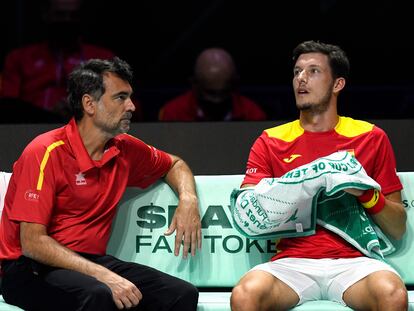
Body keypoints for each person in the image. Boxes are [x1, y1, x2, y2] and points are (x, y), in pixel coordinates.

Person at [0, 57, 201, 310]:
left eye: (130, 97)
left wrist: (188, 200)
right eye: (120, 97)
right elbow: (32, 243)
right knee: (99, 294)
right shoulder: (45, 152)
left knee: (180, 293)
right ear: (89, 104)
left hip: (90, 261)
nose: (131, 106)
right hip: (28, 269)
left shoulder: (124, 148)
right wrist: (103, 275)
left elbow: (175, 164)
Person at [230, 41, 408, 310]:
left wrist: (365, 193)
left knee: (392, 294)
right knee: (245, 294)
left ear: (338, 84)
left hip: (355, 263)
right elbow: (249, 212)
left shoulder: (370, 137)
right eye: (297, 72)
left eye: (313, 71)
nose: (301, 79)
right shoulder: (270, 141)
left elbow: (397, 226)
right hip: (291, 263)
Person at [0, 0, 116, 122]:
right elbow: (8, 106)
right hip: (31, 129)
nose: (67, 21)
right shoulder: (19, 58)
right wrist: (47, 114)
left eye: (73, 16)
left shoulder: (103, 58)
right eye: (60, 15)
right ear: (46, 15)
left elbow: (126, 105)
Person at [158, 47, 267, 121]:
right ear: (194, 84)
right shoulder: (173, 113)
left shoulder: (252, 115)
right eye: (211, 93)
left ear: (234, 84)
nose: (217, 101)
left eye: (223, 93)